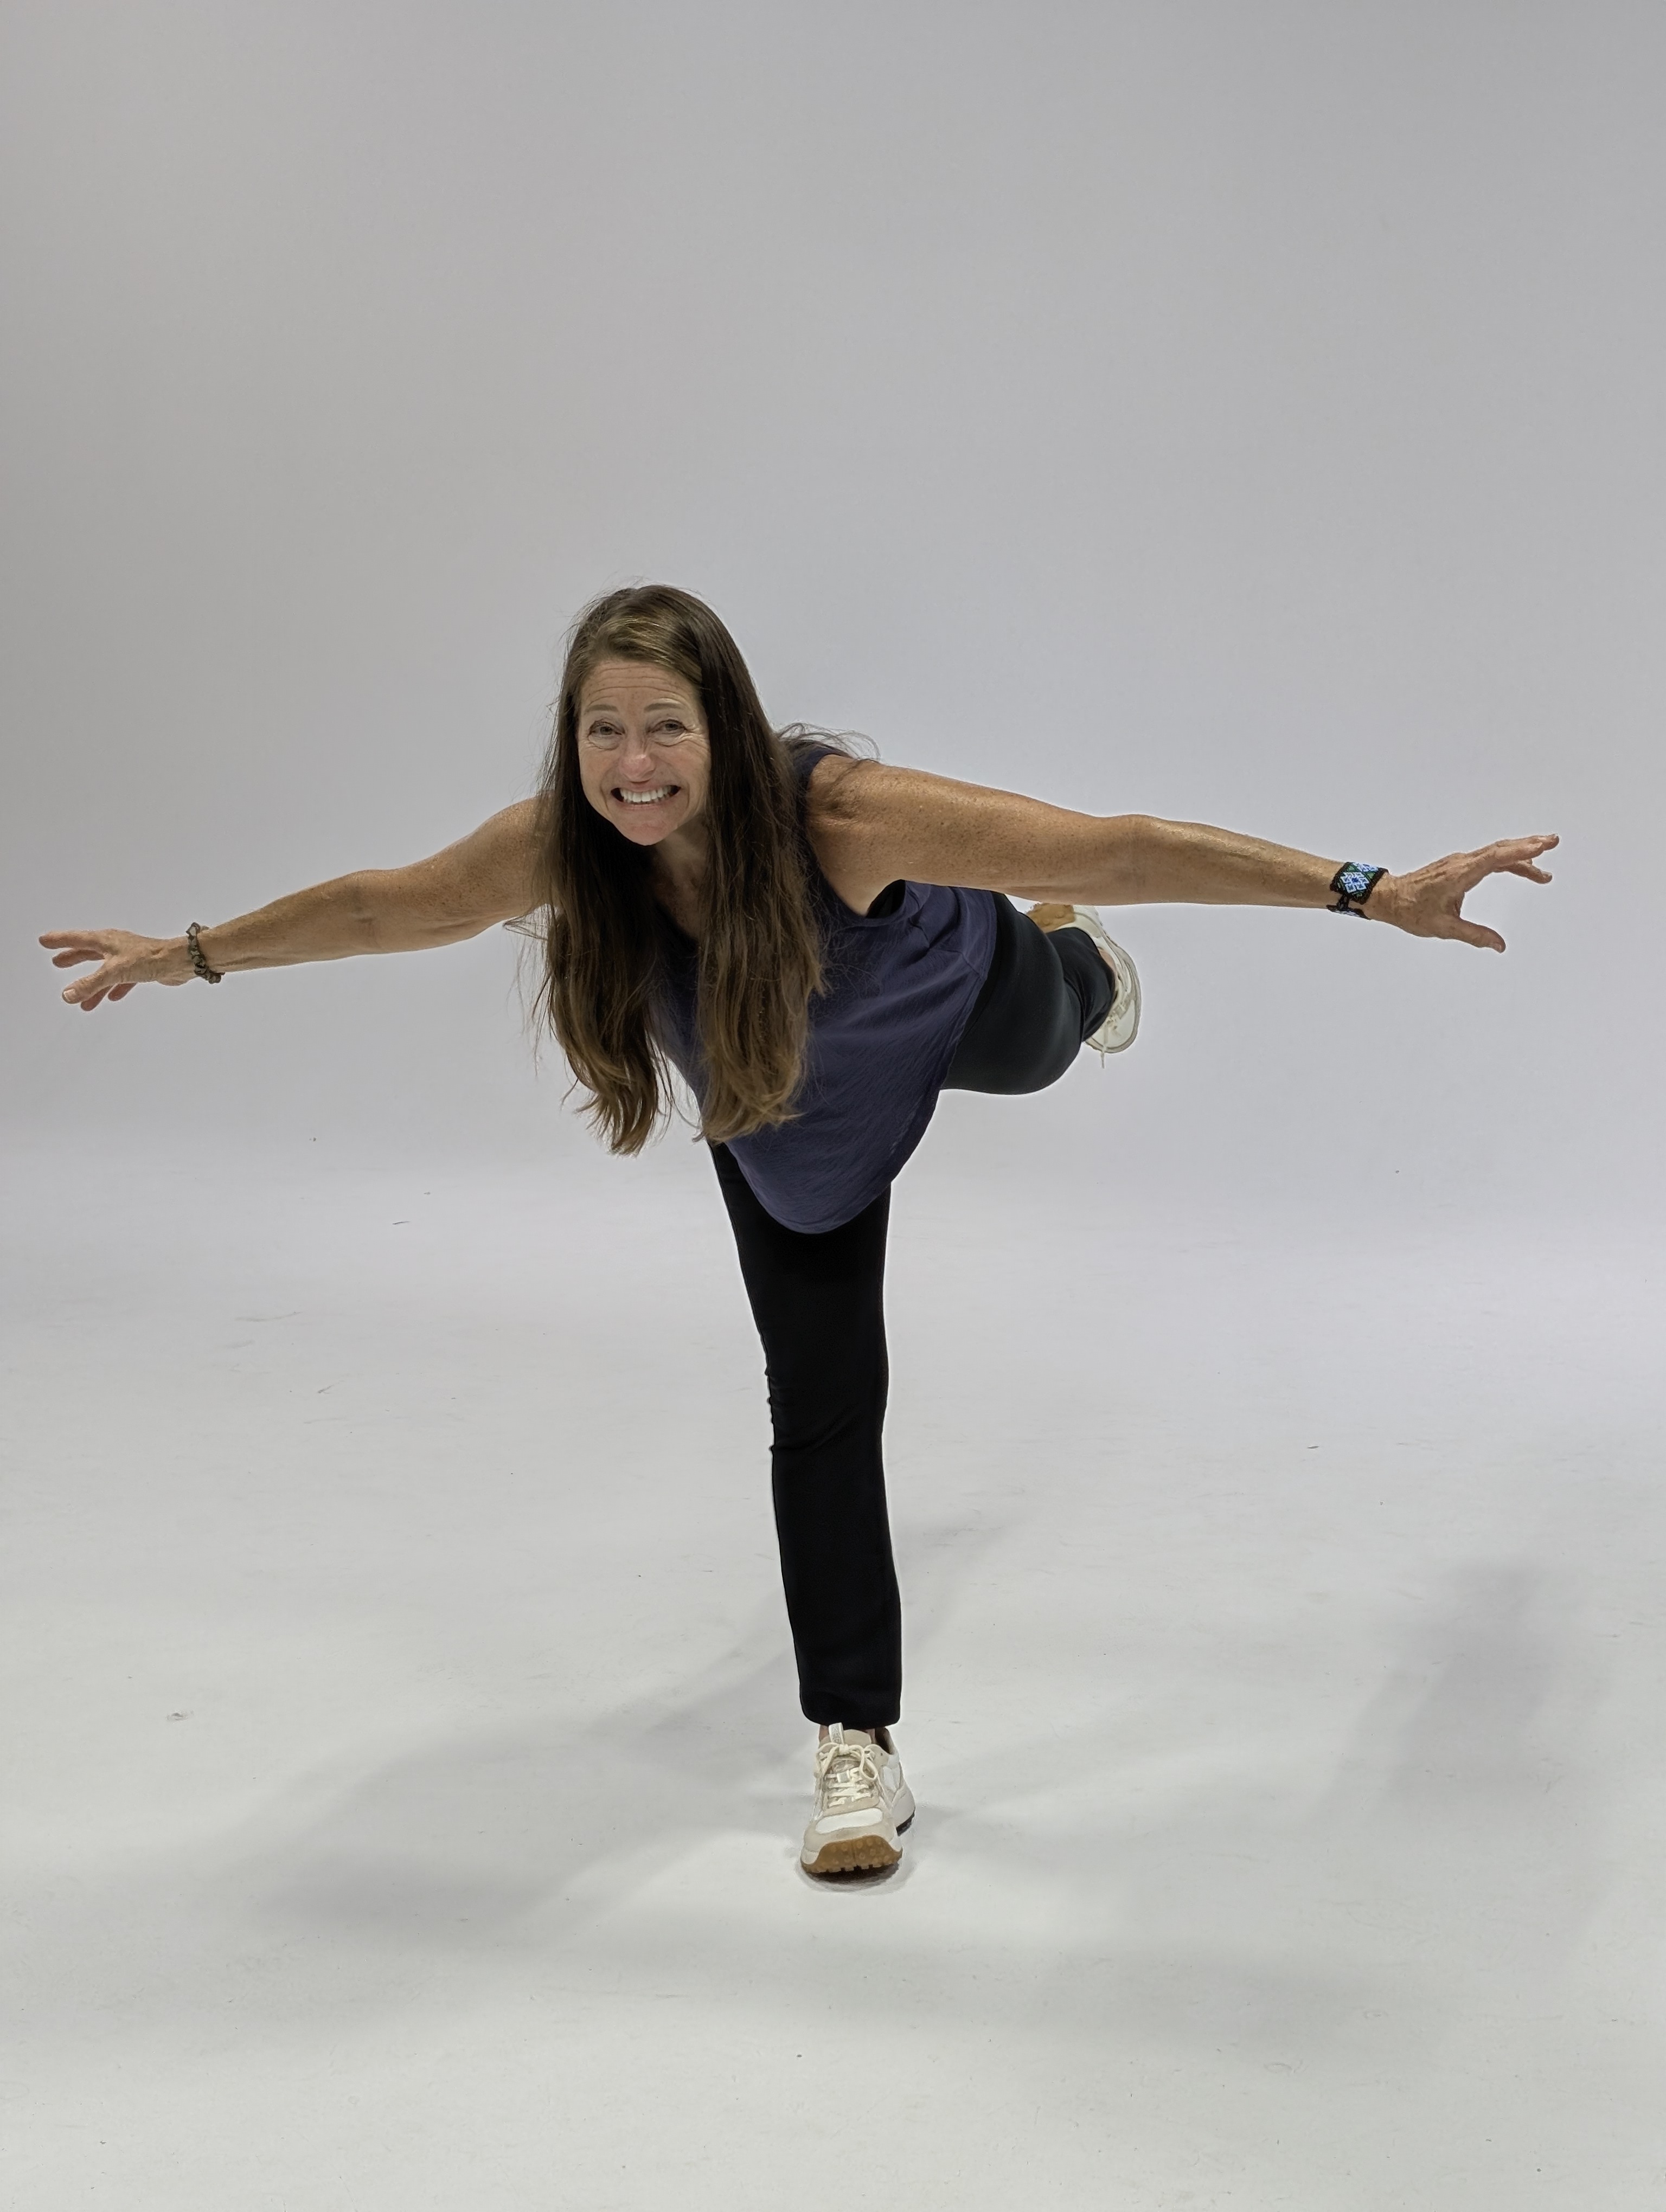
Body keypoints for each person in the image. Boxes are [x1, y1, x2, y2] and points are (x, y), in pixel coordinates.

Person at [41, 584, 1557, 1879]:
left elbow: (1125, 841)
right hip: (788, 1103)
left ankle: (1080, 979)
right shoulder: (568, 848)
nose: (635, 764)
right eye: (604, 732)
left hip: (954, 1002)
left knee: (1047, 1020)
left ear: (725, 729)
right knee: (820, 1403)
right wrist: (190, 954)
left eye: (666, 729)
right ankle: (857, 1740)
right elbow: (393, 906)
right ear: (574, 746)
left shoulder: (842, 817)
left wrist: (1369, 891)